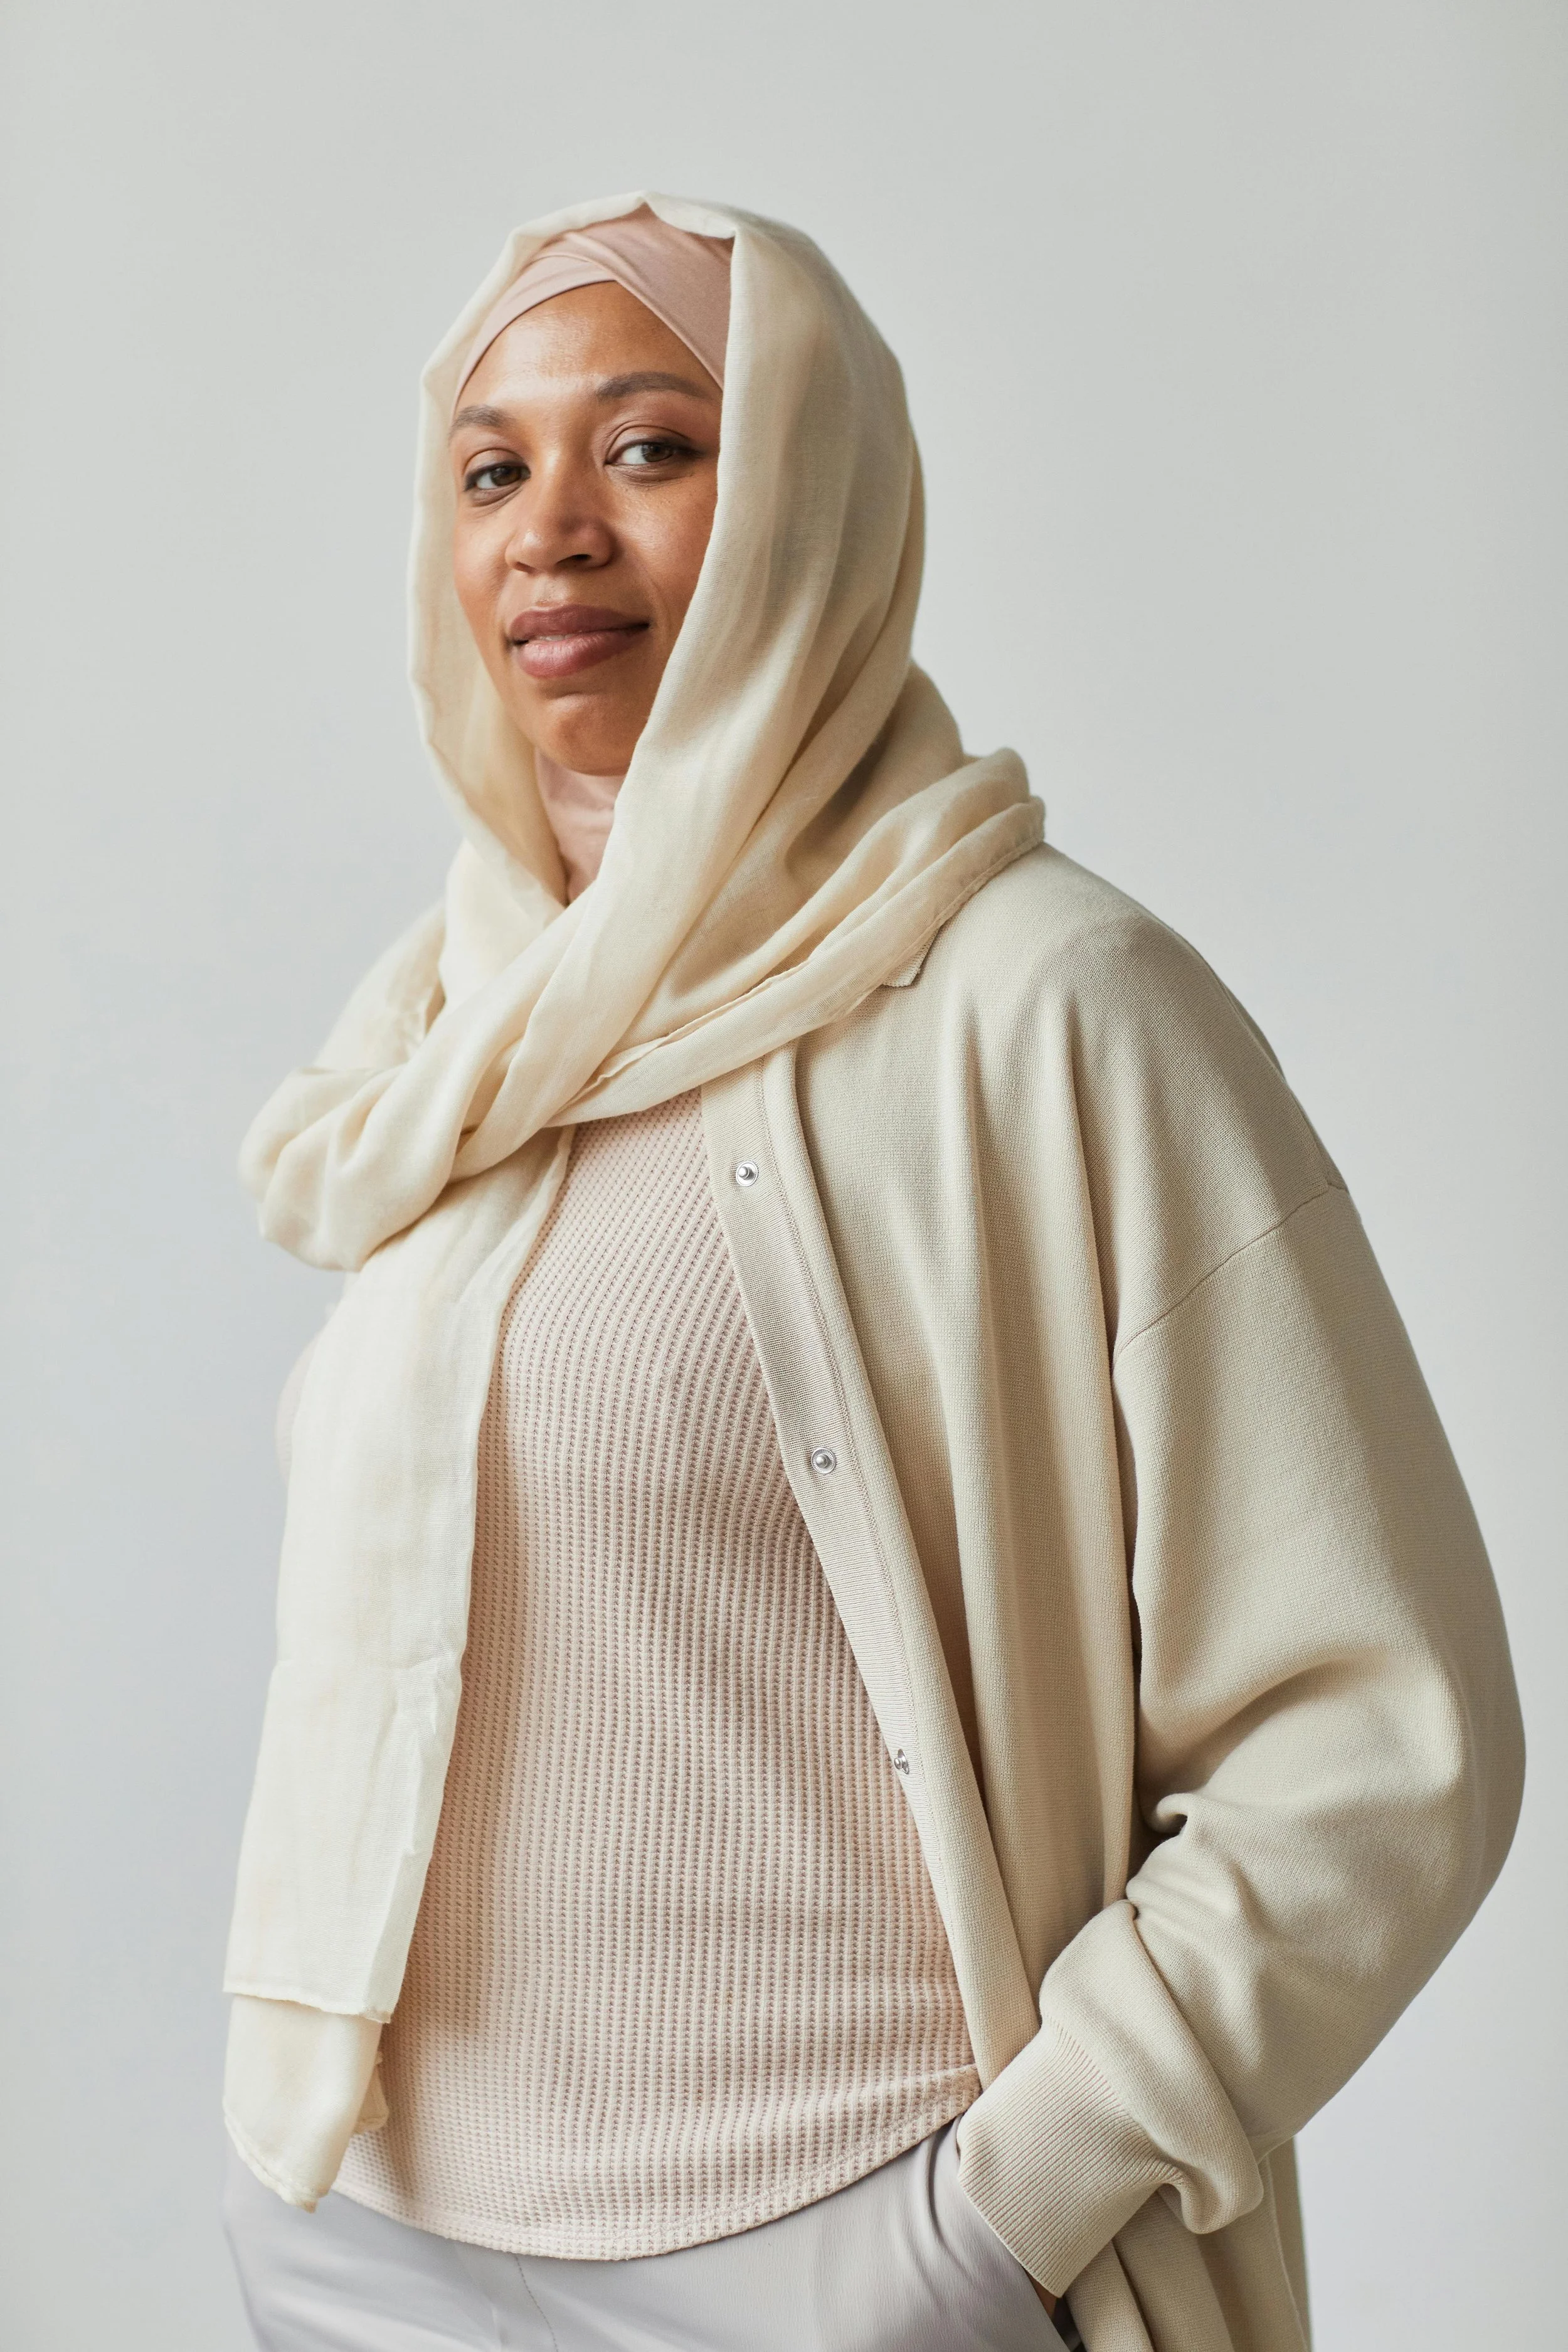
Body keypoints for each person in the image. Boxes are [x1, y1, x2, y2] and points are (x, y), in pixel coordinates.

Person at [219, 195, 1523, 2352]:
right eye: (489, 465)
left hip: (847, 2257)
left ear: (812, 494)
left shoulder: (1047, 1004)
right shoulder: (450, 1042)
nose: (549, 529)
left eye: (648, 446)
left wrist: (994, 2217)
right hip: (370, 2250)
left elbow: (1381, 1738)